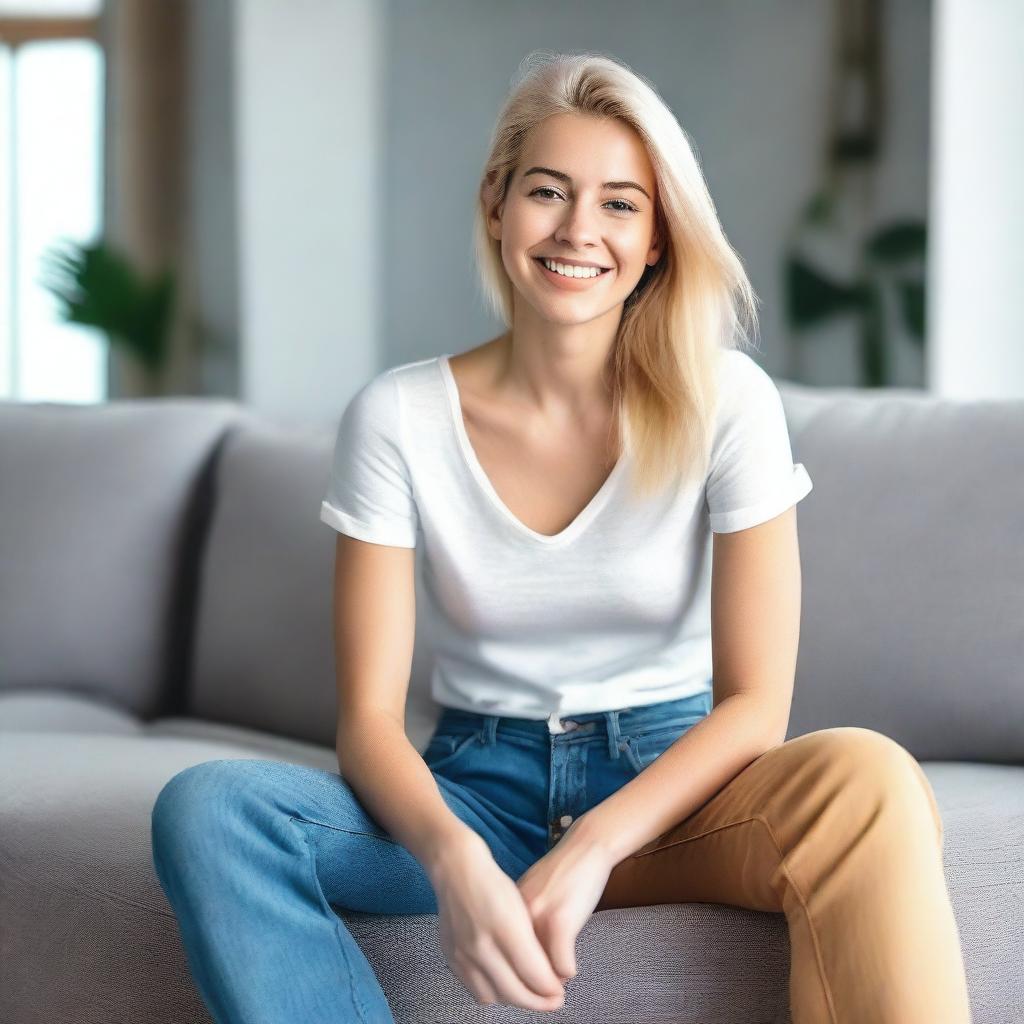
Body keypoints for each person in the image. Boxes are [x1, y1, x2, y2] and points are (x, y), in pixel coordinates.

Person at [150, 50, 972, 1024]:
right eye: (548, 191)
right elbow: (368, 723)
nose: (579, 230)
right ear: (497, 204)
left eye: (621, 203)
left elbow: (756, 704)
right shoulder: (398, 417)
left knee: (871, 779)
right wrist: (453, 858)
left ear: (660, 236)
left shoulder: (728, 402)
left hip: (677, 796)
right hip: (477, 791)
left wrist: (593, 846)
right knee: (208, 812)